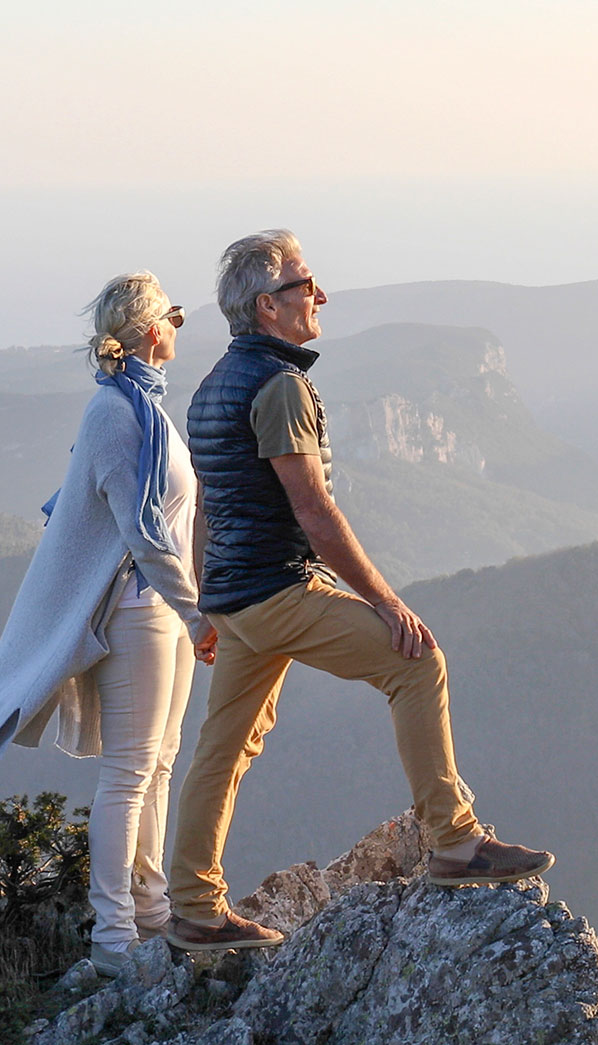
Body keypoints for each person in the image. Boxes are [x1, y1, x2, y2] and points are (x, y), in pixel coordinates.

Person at [165, 229, 554, 952]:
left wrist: (202, 605)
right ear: (267, 306)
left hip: (236, 599)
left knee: (224, 746)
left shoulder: (215, 384)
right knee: (416, 663)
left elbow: (211, 504)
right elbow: (315, 514)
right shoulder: (279, 387)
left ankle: (192, 905)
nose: (319, 295)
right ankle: (453, 841)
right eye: (304, 285)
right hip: (278, 592)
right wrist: (387, 602)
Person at [0, 272, 218, 979]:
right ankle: (114, 939)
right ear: (152, 330)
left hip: (165, 611)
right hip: (140, 615)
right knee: (130, 774)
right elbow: (142, 529)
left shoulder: (144, 407)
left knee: (157, 765)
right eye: (177, 318)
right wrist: (194, 613)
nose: (179, 329)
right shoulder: (115, 415)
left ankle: (154, 911)